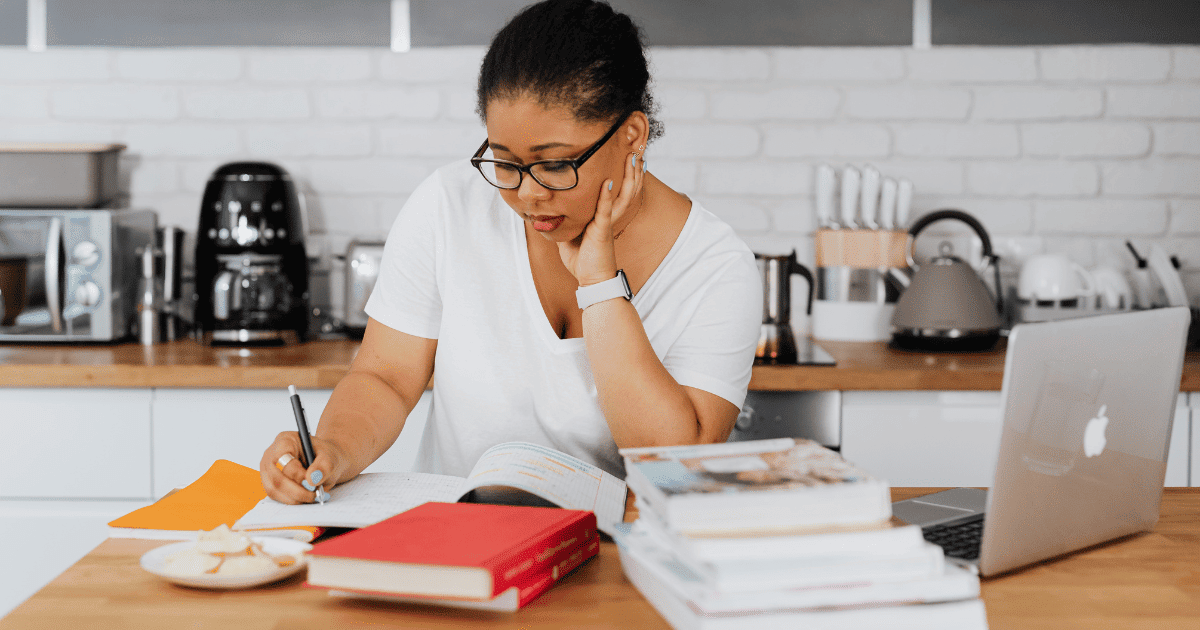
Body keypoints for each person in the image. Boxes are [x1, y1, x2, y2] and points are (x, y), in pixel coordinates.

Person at [260, 0, 761, 504]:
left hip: (610, 564)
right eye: (505, 163)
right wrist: (333, 449)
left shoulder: (714, 266)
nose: (527, 195)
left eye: (555, 164)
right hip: (458, 547)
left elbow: (674, 461)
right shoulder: (448, 205)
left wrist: (601, 287)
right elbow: (386, 377)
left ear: (631, 135)